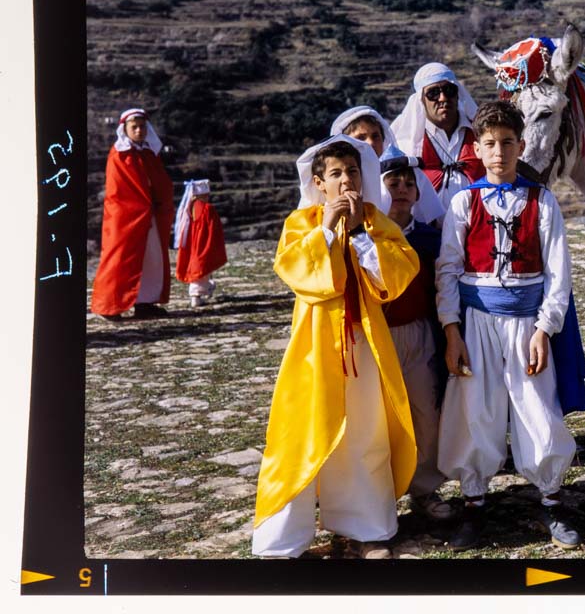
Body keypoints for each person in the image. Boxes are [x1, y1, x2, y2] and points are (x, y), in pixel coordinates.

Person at [251, 136, 421, 560]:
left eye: (352, 171)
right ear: (319, 182)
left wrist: (361, 235)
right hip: (314, 347)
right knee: (300, 436)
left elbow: (397, 274)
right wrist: (327, 229)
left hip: (363, 345)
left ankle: (366, 528)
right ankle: (282, 542)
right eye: (336, 174)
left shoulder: (374, 220)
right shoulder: (302, 223)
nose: (346, 180)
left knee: (366, 434)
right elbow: (296, 272)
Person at [434, 100, 585, 551]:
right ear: (477, 150)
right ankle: (475, 503)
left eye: (507, 142)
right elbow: (447, 269)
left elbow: (559, 274)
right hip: (476, 322)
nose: (498, 151)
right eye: (489, 143)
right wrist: (451, 330)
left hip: (527, 325)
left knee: (535, 408)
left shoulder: (542, 202)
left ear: (521, 146)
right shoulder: (464, 202)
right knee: (475, 411)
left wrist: (545, 329)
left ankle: (552, 500)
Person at [378, 145, 453, 522]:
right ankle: (379, 497)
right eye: (393, 182)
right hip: (378, 341)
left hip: (420, 336)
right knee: (380, 418)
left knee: (426, 410)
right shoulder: (364, 237)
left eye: (409, 182)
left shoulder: (428, 239)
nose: (402, 189)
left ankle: (425, 488)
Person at [90, 108, 175, 319]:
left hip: (150, 216)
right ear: (125, 129)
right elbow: (119, 189)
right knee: (120, 258)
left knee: (151, 259)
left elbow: (160, 182)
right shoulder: (119, 155)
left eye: (142, 126)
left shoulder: (148, 153)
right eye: (134, 127)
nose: (139, 130)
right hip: (126, 217)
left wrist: (158, 203)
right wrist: (140, 206)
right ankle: (110, 306)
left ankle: (144, 302)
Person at [390, 63, 483, 211]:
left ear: (458, 94)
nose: (443, 98)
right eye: (433, 93)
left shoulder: (480, 133)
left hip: (477, 224)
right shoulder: (408, 142)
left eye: (449, 90)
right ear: (421, 99)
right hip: (427, 230)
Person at [336, 104, 444, 226]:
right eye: (361, 137)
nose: (370, 143)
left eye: (375, 136)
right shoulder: (338, 183)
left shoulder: (405, 175)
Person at [173, 179, 227, 307]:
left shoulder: (188, 208)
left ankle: (204, 289)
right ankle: (197, 296)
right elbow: (214, 227)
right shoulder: (208, 209)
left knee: (197, 267)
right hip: (203, 243)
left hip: (193, 244)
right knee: (202, 268)